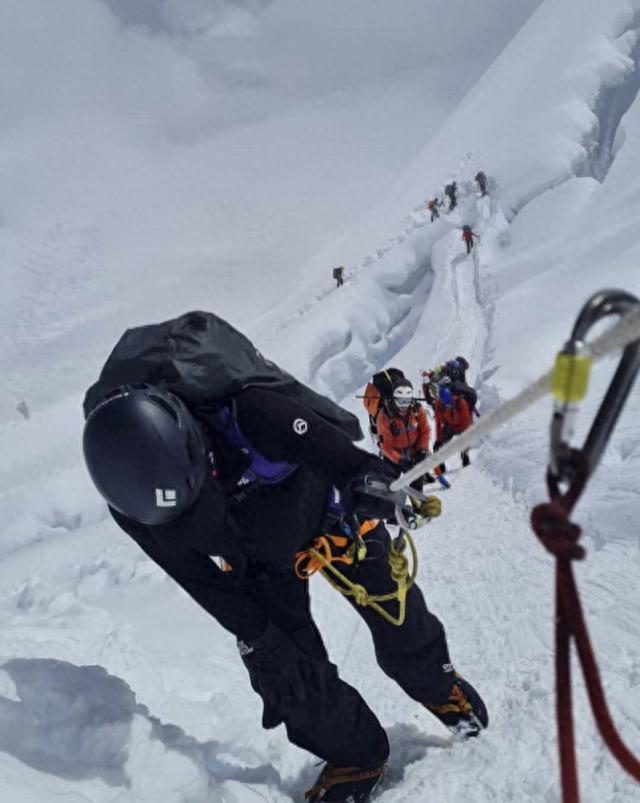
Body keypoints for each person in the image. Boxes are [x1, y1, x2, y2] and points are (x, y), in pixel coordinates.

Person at [82, 312, 488, 803]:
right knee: (284, 672)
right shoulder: (134, 503)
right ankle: (355, 751)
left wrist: (366, 479)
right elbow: (197, 578)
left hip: (332, 519)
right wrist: (258, 635)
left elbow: (336, 454)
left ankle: (437, 684)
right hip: (256, 560)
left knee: (398, 611)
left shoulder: (250, 411)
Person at [375, 378, 434, 486]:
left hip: (414, 449)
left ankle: (418, 494)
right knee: (391, 481)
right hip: (394, 453)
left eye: (407, 401)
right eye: (400, 401)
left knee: (417, 478)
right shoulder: (384, 417)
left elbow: (425, 431)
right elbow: (386, 447)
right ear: (393, 399)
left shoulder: (417, 411)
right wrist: (400, 460)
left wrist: (422, 449)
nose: (404, 406)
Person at [433, 384, 473, 471]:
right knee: (438, 447)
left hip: (462, 426)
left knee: (464, 441)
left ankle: (465, 456)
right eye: (446, 405)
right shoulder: (438, 405)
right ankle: (441, 465)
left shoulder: (461, 403)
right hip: (450, 426)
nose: (448, 406)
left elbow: (467, 422)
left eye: (449, 404)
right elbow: (438, 423)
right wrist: (439, 440)